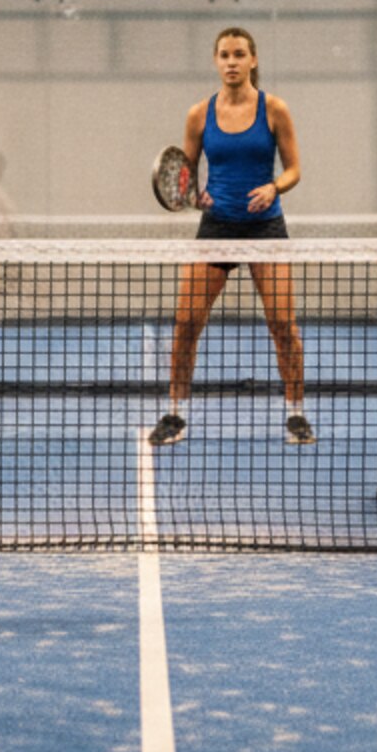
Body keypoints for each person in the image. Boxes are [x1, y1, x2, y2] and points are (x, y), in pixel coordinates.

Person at [148, 26, 311, 447]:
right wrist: (194, 196)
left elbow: (294, 169)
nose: (232, 62)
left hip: (266, 228)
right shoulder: (198, 114)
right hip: (216, 227)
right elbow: (185, 173)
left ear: (253, 60)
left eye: (240, 54)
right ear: (216, 62)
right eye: (224, 55)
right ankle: (175, 414)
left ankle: (296, 413)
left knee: (283, 324)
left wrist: (274, 187)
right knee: (186, 324)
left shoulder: (274, 109)